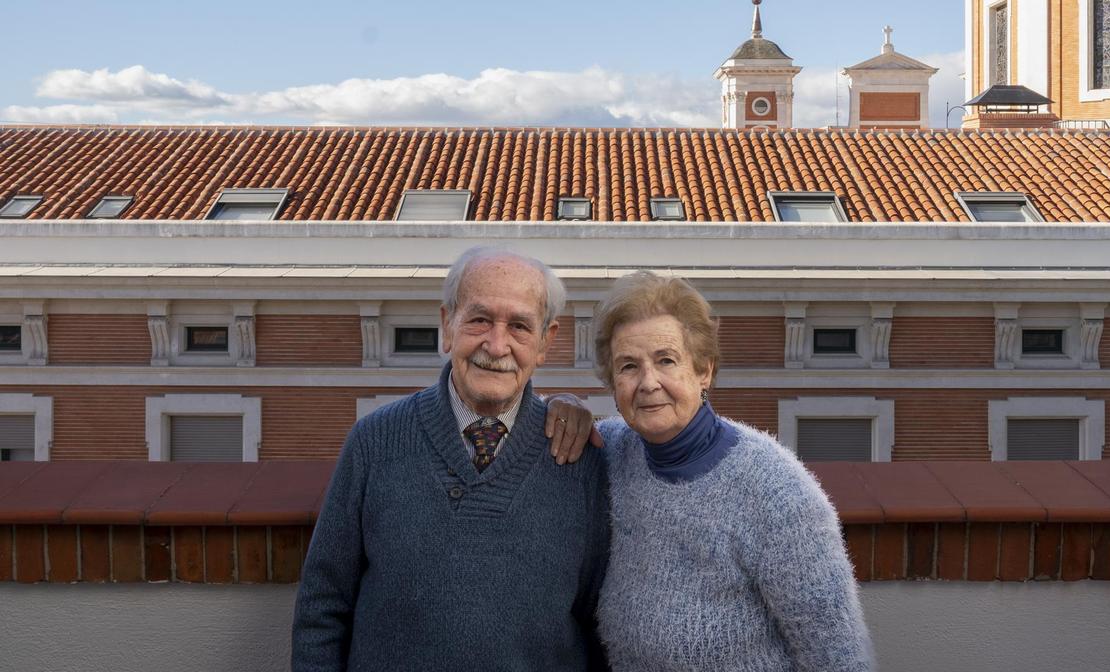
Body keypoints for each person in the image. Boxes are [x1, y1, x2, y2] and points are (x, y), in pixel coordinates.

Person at [292, 247, 609, 671]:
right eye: (479, 319)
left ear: (545, 343)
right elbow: (322, 606)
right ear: (447, 325)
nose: (496, 345)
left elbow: (599, 619)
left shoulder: (578, 458)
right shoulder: (375, 441)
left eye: (519, 326)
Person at [591, 270, 874, 671]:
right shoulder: (608, 450)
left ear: (703, 370)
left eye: (666, 360)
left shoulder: (777, 493)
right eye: (628, 366)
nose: (647, 382)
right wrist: (562, 408)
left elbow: (841, 660)